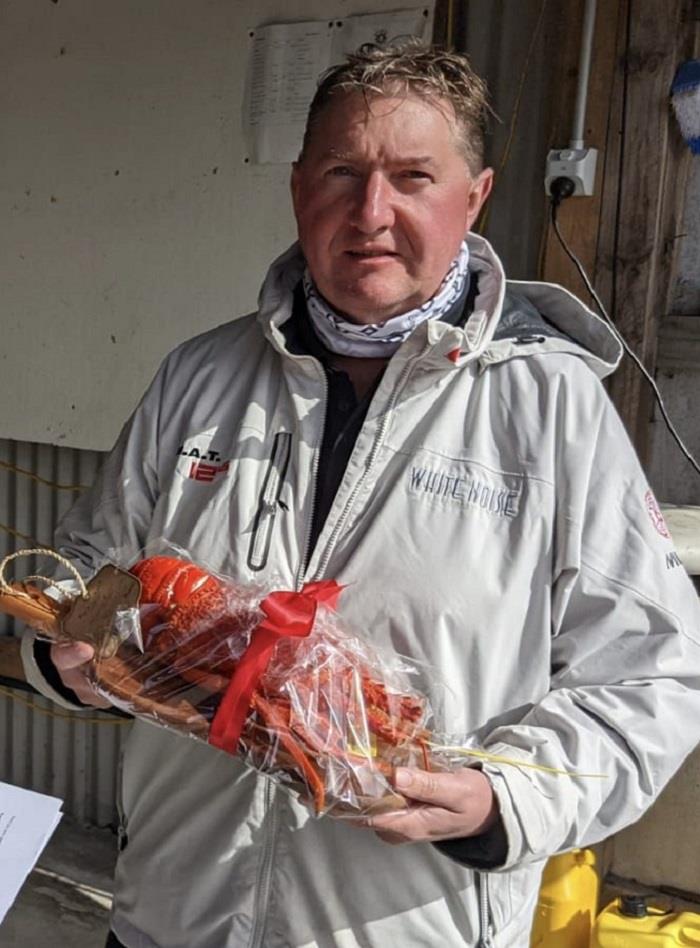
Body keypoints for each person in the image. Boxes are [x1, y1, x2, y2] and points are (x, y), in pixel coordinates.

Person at [21, 41, 700, 948]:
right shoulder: (199, 376)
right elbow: (86, 569)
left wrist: (507, 800)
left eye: (413, 176)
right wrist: (72, 652)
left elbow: (650, 674)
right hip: (168, 920)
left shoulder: (552, 408)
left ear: (476, 197)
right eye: (343, 172)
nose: (371, 213)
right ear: (300, 186)